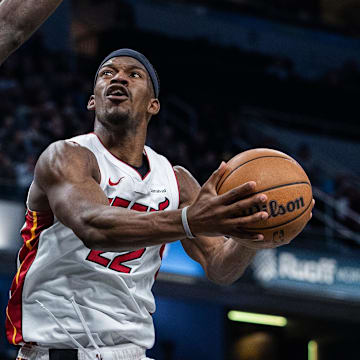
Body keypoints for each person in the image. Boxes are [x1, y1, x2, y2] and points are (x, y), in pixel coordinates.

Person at [1, 1, 314, 360]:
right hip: (60, 348)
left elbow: (221, 268)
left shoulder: (176, 181)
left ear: (154, 105)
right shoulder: (67, 157)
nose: (117, 77)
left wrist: (252, 235)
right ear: (92, 101)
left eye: (134, 74)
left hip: (131, 352)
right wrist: (187, 221)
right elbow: (93, 226)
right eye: (107, 73)